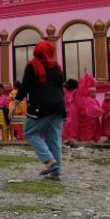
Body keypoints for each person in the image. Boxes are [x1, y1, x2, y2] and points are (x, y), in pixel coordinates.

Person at [15, 41, 66, 181]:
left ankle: (48, 159)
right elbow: (60, 87)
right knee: (54, 138)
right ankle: (56, 172)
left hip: (41, 104)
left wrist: (16, 101)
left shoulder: (32, 65)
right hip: (58, 105)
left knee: (30, 132)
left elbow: (25, 86)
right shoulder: (57, 67)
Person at [62, 78, 79, 144]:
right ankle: (64, 139)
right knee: (64, 126)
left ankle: (68, 139)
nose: (74, 90)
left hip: (68, 111)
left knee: (69, 125)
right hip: (62, 111)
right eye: (73, 88)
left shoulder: (70, 92)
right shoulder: (63, 91)